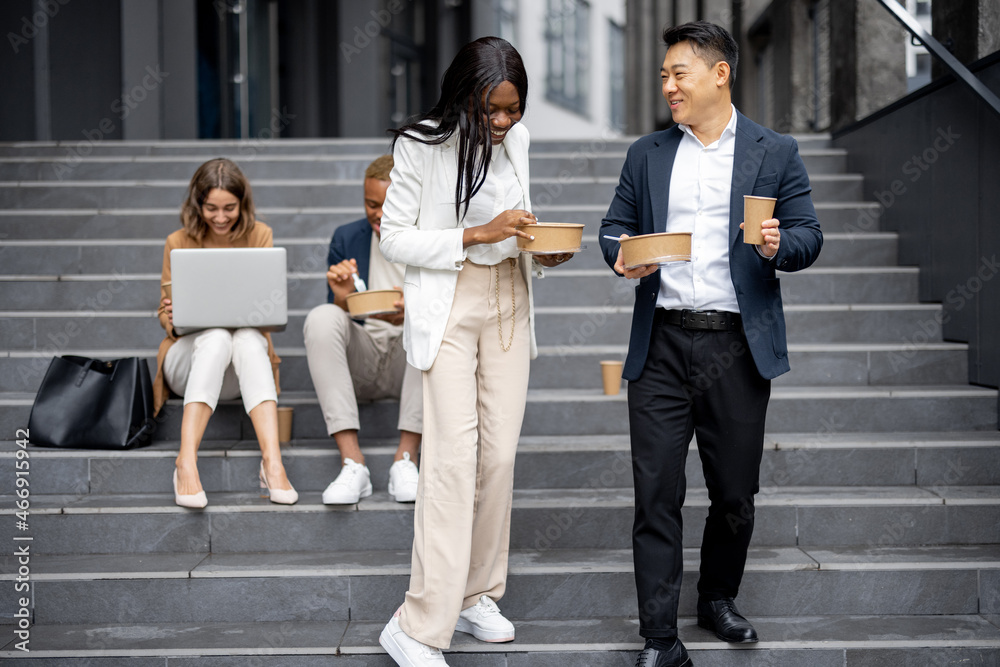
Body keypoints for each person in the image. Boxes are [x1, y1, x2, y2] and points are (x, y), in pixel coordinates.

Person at [598, 21, 822, 667]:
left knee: (733, 494)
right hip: (662, 344)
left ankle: (717, 596)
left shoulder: (774, 151)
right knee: (656, 492)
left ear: (720, 74)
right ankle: (659, 637)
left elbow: (810, 233)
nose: (668, 85)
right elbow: (614, 230)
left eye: (678, 74)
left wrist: (783, 243)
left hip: (735, 346)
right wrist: (622, 257)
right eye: (664, 76)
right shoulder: (646, 154)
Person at [375, 37, 572, 666]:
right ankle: (416, 625)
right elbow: (396, 237)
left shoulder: (519, 139)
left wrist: (538, 249)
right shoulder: (420, 145)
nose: (503, 121)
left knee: (499, 459)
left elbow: (520, 222)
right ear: (464, 96)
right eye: (492, 110)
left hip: (508, 298)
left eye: (513, 109)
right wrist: (477, 233)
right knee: (454, 462)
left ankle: (476, 595)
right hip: (451, 303)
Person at [155, 158, 298, 509]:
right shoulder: (179, 241)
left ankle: (272, 462)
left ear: (242, 203)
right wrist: (171, 316)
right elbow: (164, 308)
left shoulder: (259, 235)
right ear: (197, 204)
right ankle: (185, 460)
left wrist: (258, 308)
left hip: (238, 369)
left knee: (248, 337)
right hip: (186, 363)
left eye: (229, 208)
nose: (220, 217)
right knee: (216, 335)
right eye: (211, 208)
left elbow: (267, 310)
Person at [303, 155, 423, 504]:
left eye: (389, 205)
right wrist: (343, 299)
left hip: (410, 360)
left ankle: (406, 458)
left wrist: (415, 311)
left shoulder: (430, 239)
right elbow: (339, 317)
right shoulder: (347, 237)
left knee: (429, 324)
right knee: (322, 316)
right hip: (363, 354)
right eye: (371, 204)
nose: (379, 214)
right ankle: (352, 462)